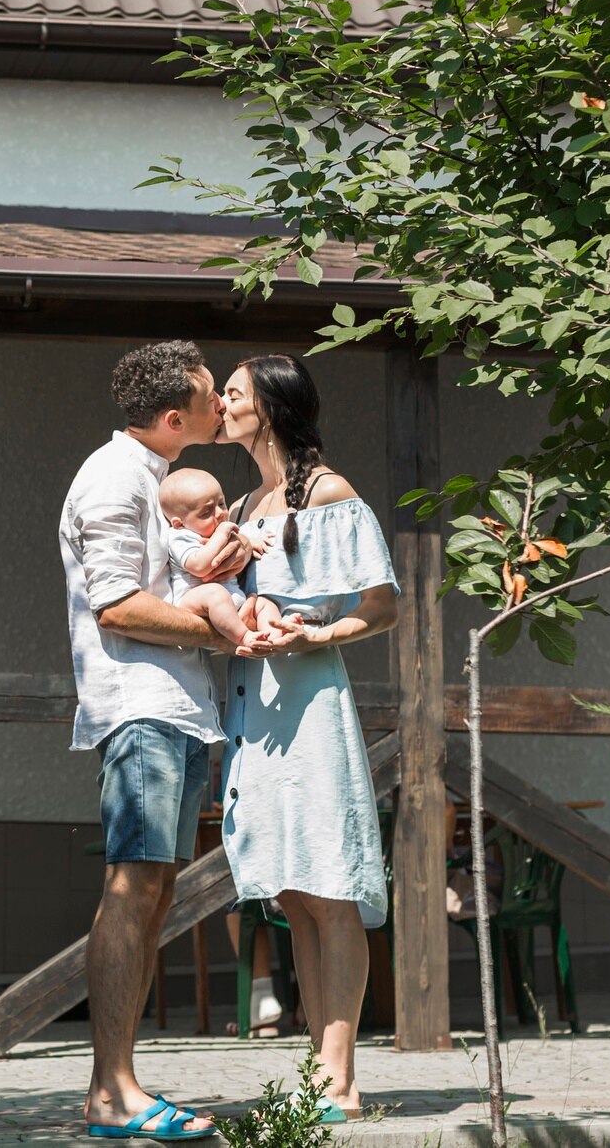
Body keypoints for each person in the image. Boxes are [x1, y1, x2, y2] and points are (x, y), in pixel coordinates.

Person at [58, 341, 273, 1141]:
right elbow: (115, 604)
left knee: (157, 894)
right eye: (213, 393)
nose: (223, 402)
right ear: (176, 416)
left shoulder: (161, 481)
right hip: (141, 707)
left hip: (180, 711)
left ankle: (119, 1083)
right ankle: (112, 1090)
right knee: (133, 887)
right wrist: (221, 635)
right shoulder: (115, 478)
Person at [216, 352, 400, 1122]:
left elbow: (382, 603)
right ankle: (317, 1071)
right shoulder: (241, 501)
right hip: (255, 712)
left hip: (311, 701)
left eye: (233, 393)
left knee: (330, 886)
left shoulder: (330, 492)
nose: (221, 403)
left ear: (271, 407)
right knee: (291, 888)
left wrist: (313, 634)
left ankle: (341, 1075)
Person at [159, 467, 282, 650]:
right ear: (179, 523)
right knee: (215, 594)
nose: (220, 513)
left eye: (222, 503)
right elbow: (199, 566)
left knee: (264, 603)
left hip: (232, 606)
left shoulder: (217, 530)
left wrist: (250, 542)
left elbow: (241, 543)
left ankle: (276, 636)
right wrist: (222, 534)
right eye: (206, 512)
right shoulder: (181, 537)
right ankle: (245, 637)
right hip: (196, 605)